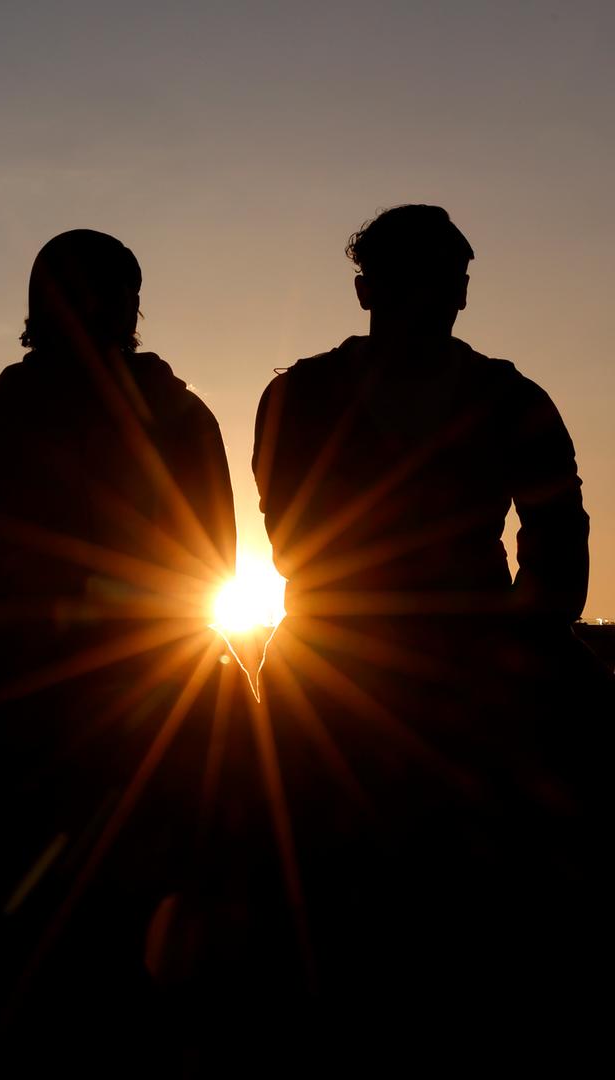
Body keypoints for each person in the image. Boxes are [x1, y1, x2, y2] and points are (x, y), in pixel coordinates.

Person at [250, 205, 604, 1066]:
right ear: (369, 289)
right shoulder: (302, 394)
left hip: (462, 649)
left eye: (446, 282)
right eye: (419, 281)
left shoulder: (508, 399)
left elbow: (559, 546)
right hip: (347, 650)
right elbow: (292, 533)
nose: (434, 300)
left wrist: (521, 636)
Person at [0, 229, 236, 727]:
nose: (97, 306)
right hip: (146, 666)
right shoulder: (183, 416)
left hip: (37, 667)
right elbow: (213, 567)